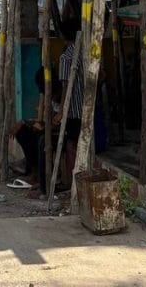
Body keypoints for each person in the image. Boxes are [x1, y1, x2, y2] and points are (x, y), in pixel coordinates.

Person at [56, 33, 85, 190]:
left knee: (71, 144)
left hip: (73, 109)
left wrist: (61, 111)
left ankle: (70, 181)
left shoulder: (66, 58)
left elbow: (65, 87)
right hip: (85, 108)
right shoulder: (85, 53)